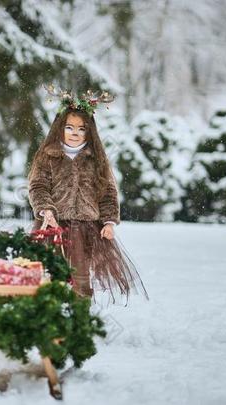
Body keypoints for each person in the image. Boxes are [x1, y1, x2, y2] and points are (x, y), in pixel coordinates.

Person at [27, 87, 149, 306]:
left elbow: (108, 193)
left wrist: (109, 222)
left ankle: (79, 319)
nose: (75, 133)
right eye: (69, 128)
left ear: (89, 132)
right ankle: (51, 318)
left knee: (80, 276)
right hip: (53, 225)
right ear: (59, 129)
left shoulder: (96, 159)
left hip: (85, 228)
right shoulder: (48, 156)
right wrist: (46, 209)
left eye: (81, 129)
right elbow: (38, 186)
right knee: (49, 274)